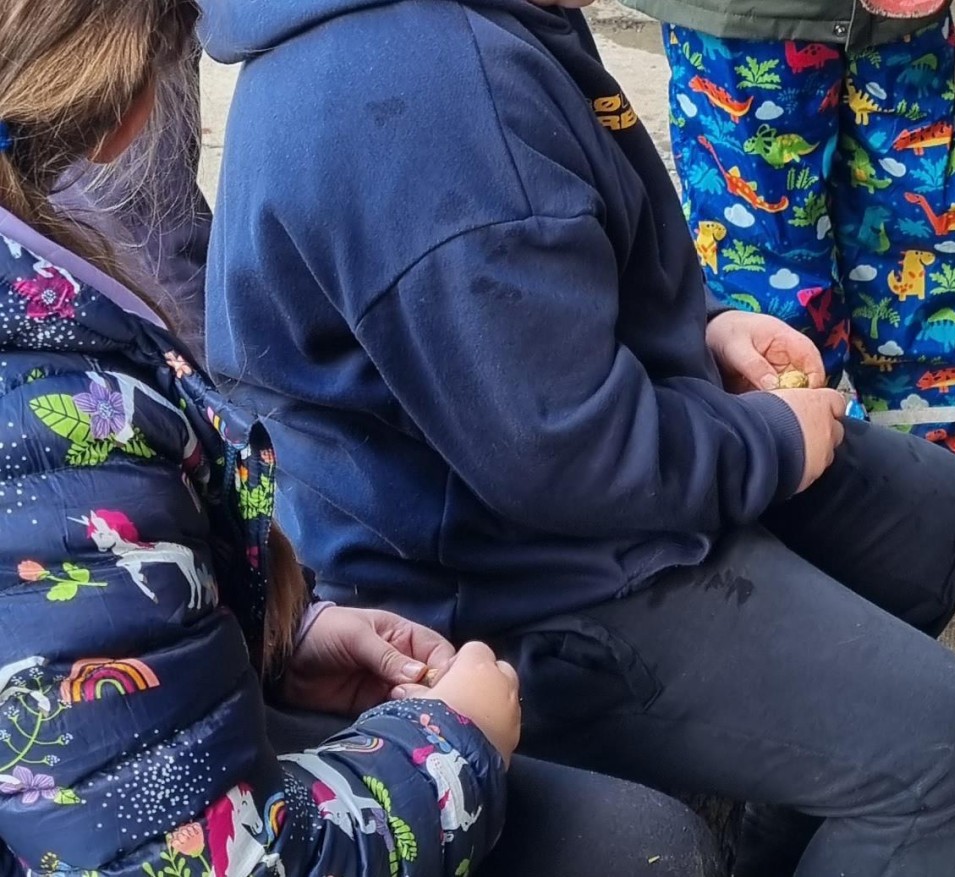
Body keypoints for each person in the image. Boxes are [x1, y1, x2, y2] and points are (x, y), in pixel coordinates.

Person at [199, 0, 955, 874]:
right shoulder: (426, 97)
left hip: (553, 486)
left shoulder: (485, 28)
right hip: (505, 582)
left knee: (933, 519)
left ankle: (783, 834)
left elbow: (544, 283)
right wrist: (771, 446)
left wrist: (700, 331)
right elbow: (562, 451)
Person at [0, 4, 722, 877]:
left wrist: (270, 634)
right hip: (471, 614)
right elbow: (213, 859)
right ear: (128, 102)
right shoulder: (54, 428)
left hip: (263, 655)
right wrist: (450, 746)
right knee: (660, 844)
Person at [623, 0, 955, 557]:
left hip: (899, 18)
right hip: (748, 19)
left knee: (923, 241)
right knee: (766, 270)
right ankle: (795, 494)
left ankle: (952, 476)